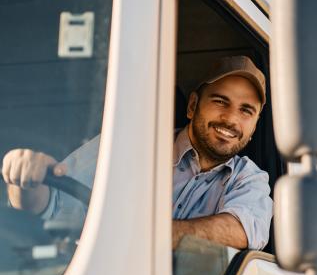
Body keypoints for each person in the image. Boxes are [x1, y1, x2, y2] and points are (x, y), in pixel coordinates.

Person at [2, 55, 273, 250]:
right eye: (220, 101)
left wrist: (136, 237)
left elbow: (243, 231)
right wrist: (24, 179)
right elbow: (51, 204)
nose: (230, 120)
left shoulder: (250, 179)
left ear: (254, 126)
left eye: (245, 110)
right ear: (192, 106)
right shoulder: (127, 144)